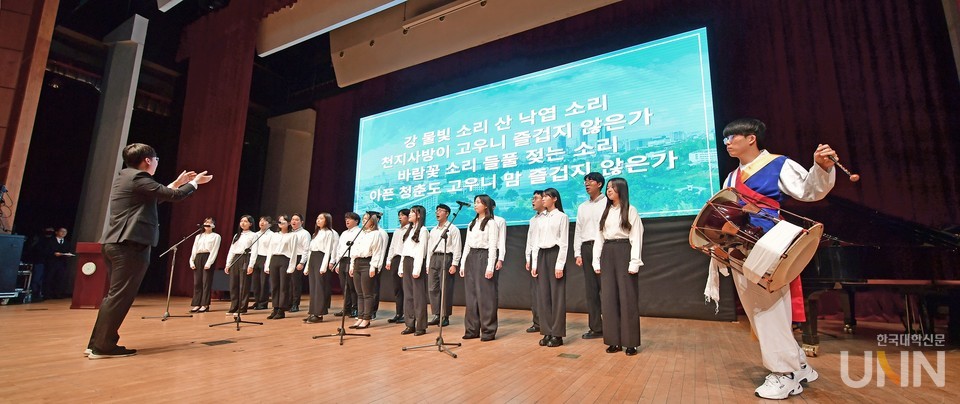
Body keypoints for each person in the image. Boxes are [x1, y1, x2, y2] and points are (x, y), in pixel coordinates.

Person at [703, 118, 836, 399]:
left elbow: (809, 190)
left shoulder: (778, 164)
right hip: (741, 246)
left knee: (768, 309)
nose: (727, 143)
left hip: (770, 244)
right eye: (725, 139)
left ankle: (784, 374)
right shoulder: (731, 177)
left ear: (751, 138)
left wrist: (821, 168)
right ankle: (798, 364)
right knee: (758, 309)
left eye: (732, 137)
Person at [86, 143, 211, 359]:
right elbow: (174, 196)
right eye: (156, 159)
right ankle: (103, 347)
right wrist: (194, 183)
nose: (156, 163)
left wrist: (178, 183)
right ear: (147, 161)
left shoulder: (126, 176)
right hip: (129, 245)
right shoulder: (139, 177)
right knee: (120, 297)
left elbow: (158, 195)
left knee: (114, 296)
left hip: (116, 243)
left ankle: (97, 343)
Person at [592, 178, 644, 356]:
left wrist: (634, 262)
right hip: (608, 252)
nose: (609, 190)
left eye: (612, 188)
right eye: (608, 188)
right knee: (609, 298)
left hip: (624, 250)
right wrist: (596, 260)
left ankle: (630, 342)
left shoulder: (630, 210)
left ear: (621, 189)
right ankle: (613, 340)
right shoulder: (606, 211)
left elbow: (636, 236)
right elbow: (599, 237)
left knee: (627, 298)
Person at [531, 188, 569, 347]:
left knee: (557, 296)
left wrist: (560, 265)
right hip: (542, 255)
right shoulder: (540, 219)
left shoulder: (562, 217)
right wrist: (534, 263)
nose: (543, 199)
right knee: (543, 296)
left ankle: (557, 334)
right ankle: (546, 331)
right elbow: (535, 242)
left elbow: (564, 243)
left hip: (555, 254)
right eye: (543, 196)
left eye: (546, 196)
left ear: (554, 199)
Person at [459, 195, 500, 341]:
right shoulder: (472, 223)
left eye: (478, 202)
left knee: (486, 296)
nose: (475, 205)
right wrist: (463, 263)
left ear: (486, 205)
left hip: (484, 257)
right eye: (475, 202)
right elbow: (467, 245)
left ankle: (488, 330)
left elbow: (493, 246)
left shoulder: (491, 223)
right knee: (471, 296)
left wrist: (490, 267)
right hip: (471, 256)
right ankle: (472, 329)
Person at [574, 172, 606, 339]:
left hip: (604, 247)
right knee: (591, 290)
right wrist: (577, 252)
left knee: (607, 288)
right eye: (585, 182)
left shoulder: (608, 203)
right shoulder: (582, 207)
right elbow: (578, 230)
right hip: (586, 248)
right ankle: (596, 327)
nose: (587, 184)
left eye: (590, 181)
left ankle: (612, 326)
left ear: (599, 184)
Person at [426, 204, 461, 327]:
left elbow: (457, 247)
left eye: (440, 210)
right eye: (437, 210)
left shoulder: (453, 229)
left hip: (446, 257)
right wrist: (428, 264)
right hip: (434, 258)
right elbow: (429, 248)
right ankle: (436, 314)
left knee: (445, 288)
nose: (437, 212)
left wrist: (454, 264)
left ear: (447, 213)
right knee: (433, 288)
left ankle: (445, 316)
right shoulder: (433, 230)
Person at [349, 212, 387, 329]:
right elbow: (354, 250)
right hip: (357, 262)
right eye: (363, 218)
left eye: (367, 219)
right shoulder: (360, 233)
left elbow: (377, 252)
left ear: (373, 221)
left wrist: (373, 266)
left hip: (367, 263)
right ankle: (360, 317)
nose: (364, 220)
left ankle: (366, 318)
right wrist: (352, 265)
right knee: (359, 293)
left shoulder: (376, 234)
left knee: (367, 293)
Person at [399, 206, 430, 335]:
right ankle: (409, 323)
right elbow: (404, 250)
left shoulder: (423, 230)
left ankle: (421, 325)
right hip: (407, 261)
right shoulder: (409, 230)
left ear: (419, 215)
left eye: (413, 212)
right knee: (408, 295)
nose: (410, 214)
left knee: (418, 296)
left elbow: (421, 251)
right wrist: (401, 267)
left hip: (416, 263)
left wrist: (417, 269)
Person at [303, 213, 339, 323]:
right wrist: (307, 267)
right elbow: (310, 251)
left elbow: (328, 250)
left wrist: (324, 266)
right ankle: (312, 312)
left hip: (321, 258)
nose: (318, 220)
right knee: (313, 287)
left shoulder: (329, 233)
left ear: (327, 220)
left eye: (321, 218)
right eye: (317, 218)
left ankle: (319, 314)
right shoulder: (316, 233)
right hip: (313, 258)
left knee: (320, 287)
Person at [264, 215, 297, 319]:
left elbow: (293, 252)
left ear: (288, 223)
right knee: (274, 285)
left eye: (283, 221)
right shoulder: (274, 235)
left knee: (283, 286)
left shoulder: (292, 235)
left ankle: (281, 309)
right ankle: (275, 307)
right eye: (279, 221)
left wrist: (291, 266)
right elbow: (270, 250)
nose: (281, 223)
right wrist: (267, 264)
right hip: (274, 259)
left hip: (285, 259)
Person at [224, 215, 258, 315]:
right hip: (236, 258)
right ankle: (233, 306)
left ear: (250, 224)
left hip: (245, 258)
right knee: (233, 284)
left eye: (245, 221)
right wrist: (228, 264)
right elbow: (232, 250)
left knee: (244, 284)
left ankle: (242, 308)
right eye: (241, 221)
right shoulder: (237, 235)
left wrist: (251, 265)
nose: (243, 223)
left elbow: (254, 251)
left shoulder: (253, 235)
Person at [524, 190, 545, 333]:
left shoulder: (549, 217)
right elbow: (529, 241)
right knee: (535, 292)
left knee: (545, 291)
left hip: (544, 256)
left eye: (536, 198)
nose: (533, 201)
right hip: (533, 258)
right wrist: (528, 258)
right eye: (532, 198)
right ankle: (537, 322)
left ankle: (546, 322)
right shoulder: (533, 220)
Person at [189, 217, 221, 313]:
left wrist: (209, 263)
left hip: (208, 257)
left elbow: (215, 250)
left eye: (210, 222)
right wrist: (191, 261)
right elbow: (194, 249)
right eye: (206, 222)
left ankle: (205, 304)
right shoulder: (198, 236)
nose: (207, 224)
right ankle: (197, 304)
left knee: (206, 282)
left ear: (213, 225)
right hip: (198, 257)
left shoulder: (216, 236)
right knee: (197, 282)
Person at [384, 209, 410, 323]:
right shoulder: (397, 231)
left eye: (402, 215)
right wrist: (389, 260)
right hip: (396, 259)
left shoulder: (411, 230)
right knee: (397, 288)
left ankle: (407, 314)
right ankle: (398, 313)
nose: (400, 217)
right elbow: (392, 246)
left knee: (405, 288)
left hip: (405, 259)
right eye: (399, 215)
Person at [333, 212, 361, 317]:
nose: (347, 221)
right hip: (343, 260)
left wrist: (352, 264)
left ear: (356, 221)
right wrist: (337, 263)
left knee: (352, 285)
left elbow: (357, 248)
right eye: (346, 219)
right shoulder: (344, 233)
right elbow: (339, 248)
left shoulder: (359, 232)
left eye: (349, 219)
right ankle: (346, 308)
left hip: (351, 259)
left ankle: (355, 308)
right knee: (344, 285)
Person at [249, 216, 274, 310]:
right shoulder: (255, 234)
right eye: (260, 221)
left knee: (264, 282)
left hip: (265, 257)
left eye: (265, 221)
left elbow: (271, 249)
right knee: (256, 282)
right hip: (255, 257)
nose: (262, 222)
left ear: (270, 224)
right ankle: (257, 301)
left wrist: (268, 262)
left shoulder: (272, 235)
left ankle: (263, 302)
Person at [289, 213, 311, 313]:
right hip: (288, 257)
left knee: (295, 283)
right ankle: (287, 302)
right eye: (292, 219)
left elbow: (306, 249)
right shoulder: (289, 233)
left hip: (298, 258)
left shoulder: (305, 233)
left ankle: (295, 304)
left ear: (301, 222)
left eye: (297, 220)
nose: (294, 221)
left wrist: (302, 262)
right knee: (287, 282)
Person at [43, 227, 72, 299]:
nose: (63, 233)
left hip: (62, 263)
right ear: (57, 232)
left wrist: (67, 254)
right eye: (62, 231)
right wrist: (54, 254)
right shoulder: (50, 241)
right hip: (52, 262)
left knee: (60, 278)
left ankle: (57, 294)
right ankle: (47, 294)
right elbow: (46, 251)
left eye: (65, 232)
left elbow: (67, 251)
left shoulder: (67, 242)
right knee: (49, 278)